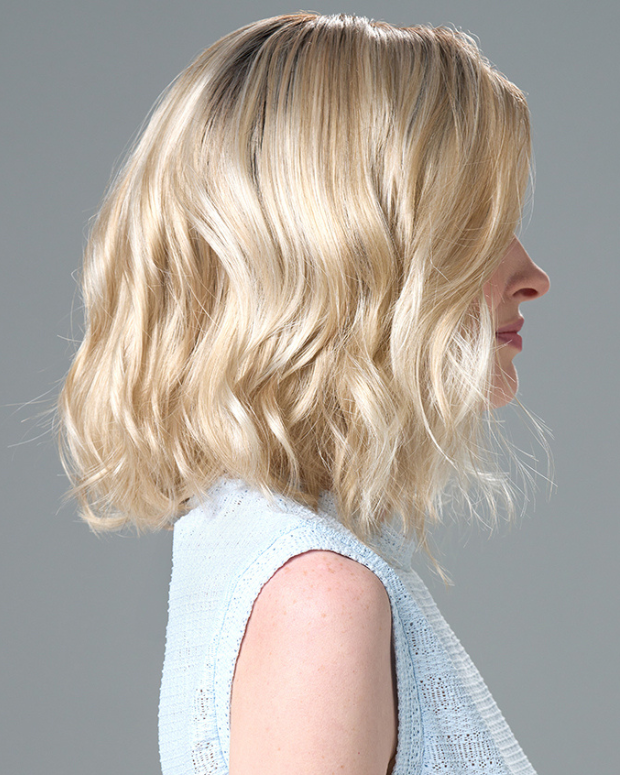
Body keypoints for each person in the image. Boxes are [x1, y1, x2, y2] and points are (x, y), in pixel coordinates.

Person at [56, 12, 550, 775]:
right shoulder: (318, 596)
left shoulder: (266, 547)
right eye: (476, 230)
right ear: (348, 259)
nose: (532, 276)